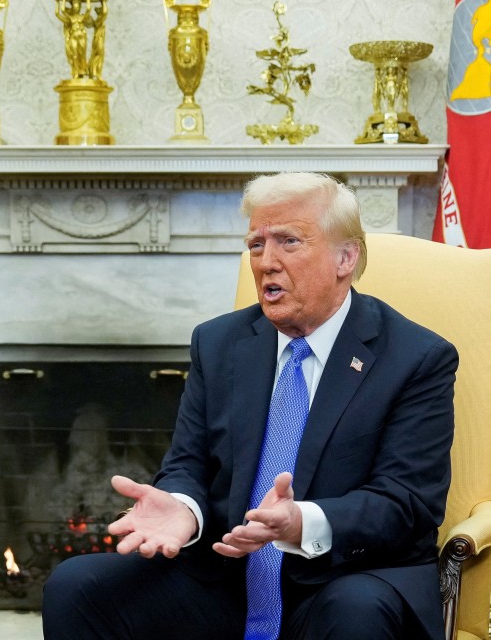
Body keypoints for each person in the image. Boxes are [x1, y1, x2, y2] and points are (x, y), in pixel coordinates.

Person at [42, 172, 458, 640]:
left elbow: (407, 502)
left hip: (343, 578)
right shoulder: (218, 342)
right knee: (75, 586)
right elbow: (188, 462)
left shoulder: (415, 358)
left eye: (288, 241)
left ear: (346, 257)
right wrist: (184, 509)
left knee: (354, 611)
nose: (266, 262)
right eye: (256, 244)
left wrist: (302, 522)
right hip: (227, 580)